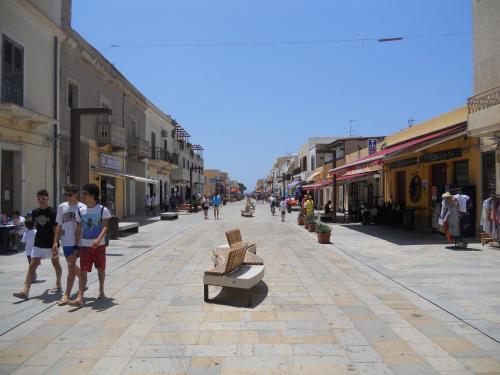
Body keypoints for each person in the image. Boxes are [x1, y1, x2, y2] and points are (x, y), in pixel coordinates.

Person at [13, 189, 62, 299]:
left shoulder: (53, 212)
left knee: (56, 264)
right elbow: (35, 226)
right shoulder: (35, 212)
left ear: (47, 198)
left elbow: (56, 228)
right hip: (38, 243)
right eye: (38, 199)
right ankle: (25, 291)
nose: (41, 201)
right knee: (32, 265)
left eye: (43, 198)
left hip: (51, 244)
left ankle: (58, 284)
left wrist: (55, 242)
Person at [69, 183, 111, 307]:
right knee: (83, 271)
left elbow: (105, 227)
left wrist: (98, 240)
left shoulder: (103, 210)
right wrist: (76, 246)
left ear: (93, 196)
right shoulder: (80, 211)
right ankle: (80, 297)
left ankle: (101, 290)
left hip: (99, 246)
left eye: (85, 194)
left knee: (101, 269)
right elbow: (78, 230)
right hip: (84, 246)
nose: (83, 196)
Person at [53, 184, 84, 306]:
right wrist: (56, 241)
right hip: (66, 241)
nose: (68, 197)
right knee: (71, 266)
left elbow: (82, 227)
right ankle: (83, 278)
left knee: (71, 266)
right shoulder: (62, 207)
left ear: (76, 194)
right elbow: (59, 225)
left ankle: (66, 294)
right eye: (66, 194)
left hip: (79, 242)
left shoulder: (82, 207)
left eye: (70, 194)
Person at [21, 217, 37, 283]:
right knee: (33, 265)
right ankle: (34, 276)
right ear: (34, 224)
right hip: (36, 251)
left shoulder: (26, 232)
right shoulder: (36, 231)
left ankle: (33, 276)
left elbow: (23, 241)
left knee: (30, 264)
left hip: (28, 251)